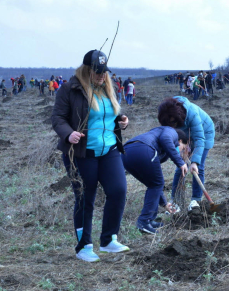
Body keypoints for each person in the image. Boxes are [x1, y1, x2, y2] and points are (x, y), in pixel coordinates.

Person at [51, 49, 130, 262]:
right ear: (86, 71)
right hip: (82, 153)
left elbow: (108, 116)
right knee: (86, 197)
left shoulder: (107, 90)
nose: (101, 76)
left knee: (118, 190)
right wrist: (69, 134)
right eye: (97, 72)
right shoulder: (70, 89)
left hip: (109, 150)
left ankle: (108, 240)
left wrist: (121, 120)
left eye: (104, 72)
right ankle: (84, 246)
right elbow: (58, 118)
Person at [122, 127, 189, 234]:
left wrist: (164, 204)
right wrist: (180, 162)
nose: (181, 151)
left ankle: (149, 220)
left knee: (153, 184)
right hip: (142, 149)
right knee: (157, 183)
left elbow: (154, 184)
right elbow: (166, 138)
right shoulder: (171, 132)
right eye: (183, 148)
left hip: (126, 153)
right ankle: (143, 221)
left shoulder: (162, 150)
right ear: (180, 141)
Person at [158, 97, 215, 211]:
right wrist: (181, 149)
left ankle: (196, 200)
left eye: (173, 122)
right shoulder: (166, 113)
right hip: (184, 136)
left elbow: (199, 138)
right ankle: (176, 201)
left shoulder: (192, 113)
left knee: (198, 167)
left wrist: (194, 162)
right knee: (181, 167)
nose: (171, 125)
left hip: (204, 133)